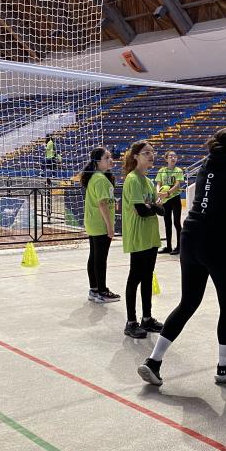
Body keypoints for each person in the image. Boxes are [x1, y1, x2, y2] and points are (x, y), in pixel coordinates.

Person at [137, 128, 226, 387]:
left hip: (191, 238)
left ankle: (153, 362)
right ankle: (224, 367)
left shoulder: (208, 164)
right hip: (219, 243)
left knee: (188, 303)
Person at [121, 141, 165, 339]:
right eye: (146, 153)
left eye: (153, 152)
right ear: (136, 156)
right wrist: (152, 207)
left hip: (151, 236)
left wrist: (152, 207)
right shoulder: (133, 179)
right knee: (135, 277)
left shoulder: (148, 181)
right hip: (138, 236)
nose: (151, 156)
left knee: (147, 277)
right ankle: (131, 322)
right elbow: (141, 210)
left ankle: (146, 318)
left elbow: (160, 210)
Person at [81, 146, 120, 304]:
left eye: (111, 157)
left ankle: (94, 290)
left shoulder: (96, 177)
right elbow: (102, 204)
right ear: (97, 162)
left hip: (93, 222)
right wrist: (110, 228)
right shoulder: (100, 179)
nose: (111, 160)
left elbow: (105, 201)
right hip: (100, 223)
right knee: (100, 258)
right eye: (107, 157)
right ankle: (102, 291)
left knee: (95, 257)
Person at [156, 150, 185, 255]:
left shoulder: (178, 170)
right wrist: (159, 194)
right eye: (171, 156)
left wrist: (167, 193)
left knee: (177, 223)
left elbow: (177, 185)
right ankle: (168, 246)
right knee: (167, 222)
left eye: (175, 156)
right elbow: (158, 184)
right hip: (165, 200)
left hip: (175, 198)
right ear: (166, 159)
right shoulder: (162, 170)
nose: (173, 158)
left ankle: (180, 247)